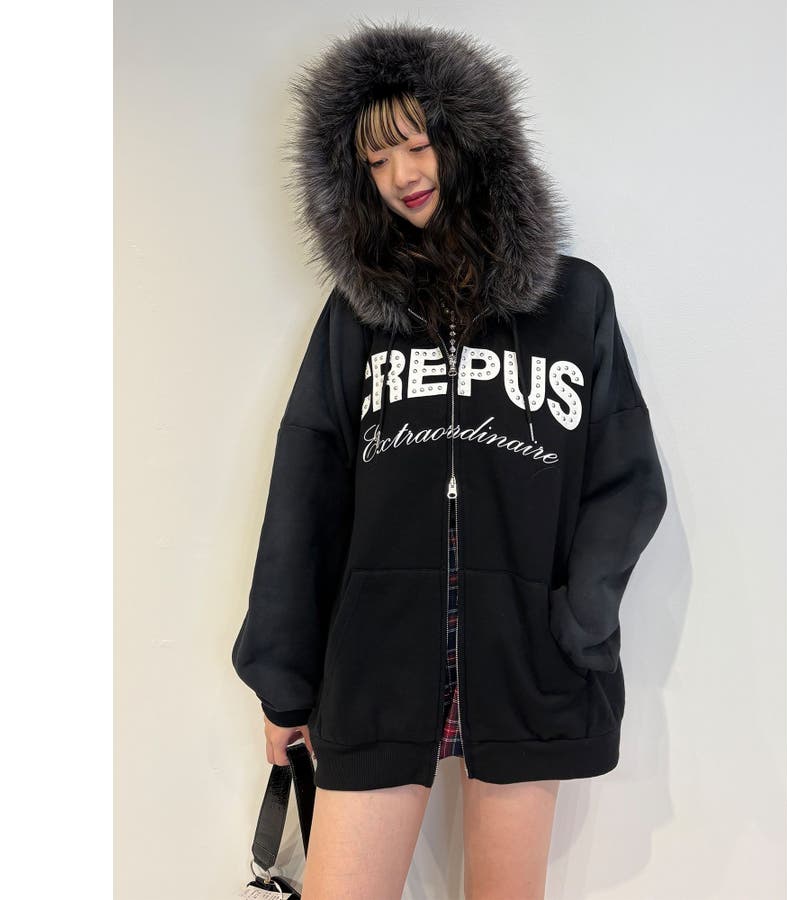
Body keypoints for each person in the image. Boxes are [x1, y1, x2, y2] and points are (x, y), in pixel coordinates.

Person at [231, 20, 668, 899]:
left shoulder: (575, 301)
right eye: (375, 160)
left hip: (528, 660)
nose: (403, 175)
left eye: (417, 143)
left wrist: (579, 620)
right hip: (377, 662)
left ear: (469, 139)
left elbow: (625, 477)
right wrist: (285, 683)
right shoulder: (356, 319)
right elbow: (305, 493)